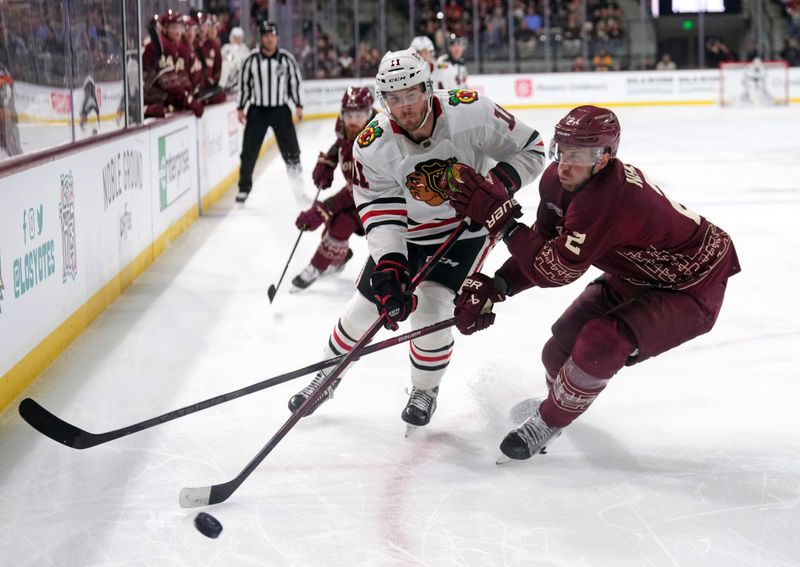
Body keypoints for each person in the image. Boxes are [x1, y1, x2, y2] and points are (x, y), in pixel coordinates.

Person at [445, 105, 741, 461]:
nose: (566, 164)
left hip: (694, 283)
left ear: (604, 158)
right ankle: (557, 408)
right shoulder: (557, 180)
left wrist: (505, 225)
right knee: (556, 352)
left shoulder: (609, 200)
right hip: (639, 272)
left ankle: (549, 421)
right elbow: (545, 240)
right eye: (563, 150)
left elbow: (556, 270)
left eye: (582, 155)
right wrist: (500, 285)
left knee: (601, 342)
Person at [286, 48, 546, 433]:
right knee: (364, 307)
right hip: (408, 232)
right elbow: (380, 209)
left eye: (411, 94)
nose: (405, 106)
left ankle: (424, 389)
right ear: (383, 100)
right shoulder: (372, 143)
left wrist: (498, 184)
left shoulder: (470, 110)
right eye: (394, 98)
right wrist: (390, 264)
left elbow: (533, 148)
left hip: (467, 230)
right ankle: (326, 377)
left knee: (433, 307)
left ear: (428, 87)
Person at [289, 87, 378, 291]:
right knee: (332, 222)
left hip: (380, 203)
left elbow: (358, 188)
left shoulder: (375, 141)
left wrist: (323, 208)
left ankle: (316, 266)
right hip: (360, 198)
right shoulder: (348, 131)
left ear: (370, 114)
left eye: (360, 114)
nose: (353, 120)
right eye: (349, 114)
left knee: (341, 221)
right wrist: (327, 164)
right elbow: (340, 144)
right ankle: (337, 259)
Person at [236, 21, 305, 204]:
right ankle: (243, 188)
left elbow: (294, 83)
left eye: (272, 35)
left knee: (292, 151)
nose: (269, 39)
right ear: (261, 38)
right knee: (249, 151)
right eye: (266, 36)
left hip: (280, 110)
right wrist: (241, 107)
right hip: (257, 110)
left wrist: (298, 105)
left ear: (277, 38)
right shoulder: (251, 60)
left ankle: (299, 190)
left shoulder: (286, 59)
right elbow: (244, 86)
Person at [221, 27, 250, 93]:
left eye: (239, 37)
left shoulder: (245, 49)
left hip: (241, 77)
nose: (238, 40)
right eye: (236, 37)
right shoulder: (226, 48)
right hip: (229, 76)